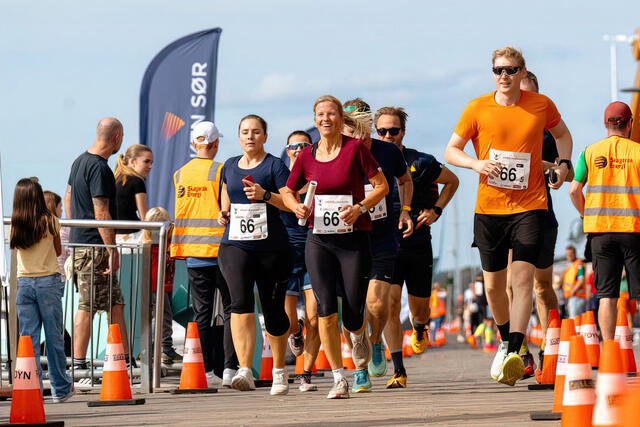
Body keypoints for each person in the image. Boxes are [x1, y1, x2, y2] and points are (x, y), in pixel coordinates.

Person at [444, 46, 573, 386]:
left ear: (522, 71)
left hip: (530, 206)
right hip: (489, 209)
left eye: (512, 70)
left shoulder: (541, 105)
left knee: (522, 280)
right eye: (499, 70)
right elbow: (451, 150)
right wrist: (476, 163)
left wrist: (563, 163)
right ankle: (506, 340)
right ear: (493, 73)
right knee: (493, 287)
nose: (505, 75)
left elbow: (563, 135)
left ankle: (515, 349)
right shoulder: (477, 108)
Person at [282, 95, 388, 399]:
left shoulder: (355, 150)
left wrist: (360, 207)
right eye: (319, 114)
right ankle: (339, 378)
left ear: (341, 119)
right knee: (325, 309)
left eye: (331, 114)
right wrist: (297, 207)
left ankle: (359, 336)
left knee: (354, 310)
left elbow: (381, 186)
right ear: (314, 120)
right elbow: (288, 191)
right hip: (319, 240)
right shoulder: (306, 156)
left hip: (353, 239)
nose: (325, 119)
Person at [375, 106, 458, 388]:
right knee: (389, 303)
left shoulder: (421, 161)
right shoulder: (369, 161)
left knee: (419, 309)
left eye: (393, 131)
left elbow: (452, 181)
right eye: (382, 131)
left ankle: (420, 327)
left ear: (403, 132)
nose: (387, 136)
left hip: (418, 241)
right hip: (385, 242)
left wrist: (436, 210)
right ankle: (398, 369)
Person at [217, 114, 293, 396]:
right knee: (239, 303)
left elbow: (289, 202)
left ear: (265, 136)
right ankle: (245, 369)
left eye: (256, 132)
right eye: (245, 132)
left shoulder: (275, 166)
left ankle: (279, 371)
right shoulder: (229, 166)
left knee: (273, 313)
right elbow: (226, 191)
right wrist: (223, 212)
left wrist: (265, 195)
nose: (250, 136)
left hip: (271, 248)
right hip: (235, 244)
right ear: (238, 136)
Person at [340, 98, 413, 390]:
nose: (357, 132)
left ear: (370, 124)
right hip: (348, 237)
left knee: (377, 302)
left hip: (382, 234)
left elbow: (405, 180)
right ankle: (359, 364)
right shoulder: (336, 153)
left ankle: (374, 342)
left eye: (362, 125)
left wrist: (406, 210)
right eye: (351, 126)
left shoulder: (387, 151)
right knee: (352, 307)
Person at [504, 70, 566, 378]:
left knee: (542, 287)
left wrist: (547, 168)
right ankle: (520, 351)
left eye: (527, 96)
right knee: (510, 286)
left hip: (540, 215)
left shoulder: (545, 131)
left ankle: (551, 350)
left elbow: (558, 174)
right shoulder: (499, 124)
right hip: (504, 216)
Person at [170, 121, 236, 387]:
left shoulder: (180, 173)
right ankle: (231, 368)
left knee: (201, 313)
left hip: (194, 253)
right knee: (233, 308)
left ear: (194, 143)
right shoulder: (221, 170)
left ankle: (205, 369)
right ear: (215, 143)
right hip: (222, 250)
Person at [569, 101, 640, 341]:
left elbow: (574, 190)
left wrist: (585, 213)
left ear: (605, 124)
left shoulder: (589, 152)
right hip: (634, 232)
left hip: (600, 233)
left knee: (607, 295)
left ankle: (609, 350)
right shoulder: (638, 152)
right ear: (630, 123)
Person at [65, 117, 131, 370]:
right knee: (88, 305)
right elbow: (102, 212)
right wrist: (111, 250)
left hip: (85, 243)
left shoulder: (79, 161)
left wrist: (77, 227)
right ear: (117, 138)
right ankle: (79, 364)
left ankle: (123, 360)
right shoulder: (101, 169)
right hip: (95, 248)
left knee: (116, 303)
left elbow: (69, 196)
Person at [11, 178, 74, 402]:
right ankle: (60, 389)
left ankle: (31, 389)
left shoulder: (15, 224)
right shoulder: (50, 221)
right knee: (54, 337)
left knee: (28, 340)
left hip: (24, 284)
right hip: (48, 281)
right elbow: (58, 250)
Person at [281, 130, 321, 392]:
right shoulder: (280, 177)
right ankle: (296, 331)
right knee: (287, 317)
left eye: (304, 145)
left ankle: (305, 373)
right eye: (294, 145)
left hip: (315, 249)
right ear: (287, 150)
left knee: (316, 316)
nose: (299, 149)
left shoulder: (318, 176)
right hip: (287, 251)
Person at [143, 207, 180, 365]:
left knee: (163, 316)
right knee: (163, 316)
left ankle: (157, 348)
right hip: (156, 286)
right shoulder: (152, 246)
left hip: (165, 285)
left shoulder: (170, 244)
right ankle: (164, 348)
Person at [114, 144, 153, 239]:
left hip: (114, 237)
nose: (150, 166)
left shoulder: (115, 179)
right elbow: (144, 217)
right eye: (146, 161)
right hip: (131, 237)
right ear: (132, 162)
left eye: (151, 162)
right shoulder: (137, 181)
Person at [44, 190, 69, 283]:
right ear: (53, 207)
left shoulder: (38, 228)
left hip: (43, 274)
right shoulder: (63, 227)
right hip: (59, 275)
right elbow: (59, 251)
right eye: (60, 206)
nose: (62, 210)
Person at [562, 245, 586, 318]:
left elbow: (581, 280)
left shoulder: (578, 265)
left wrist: (572, 291)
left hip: (577, 296)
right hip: (572, 296)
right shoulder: (571, 267)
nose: (568, 256)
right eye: (567, 254)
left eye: (570, 254)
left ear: (574, 254)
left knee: (575, 319)